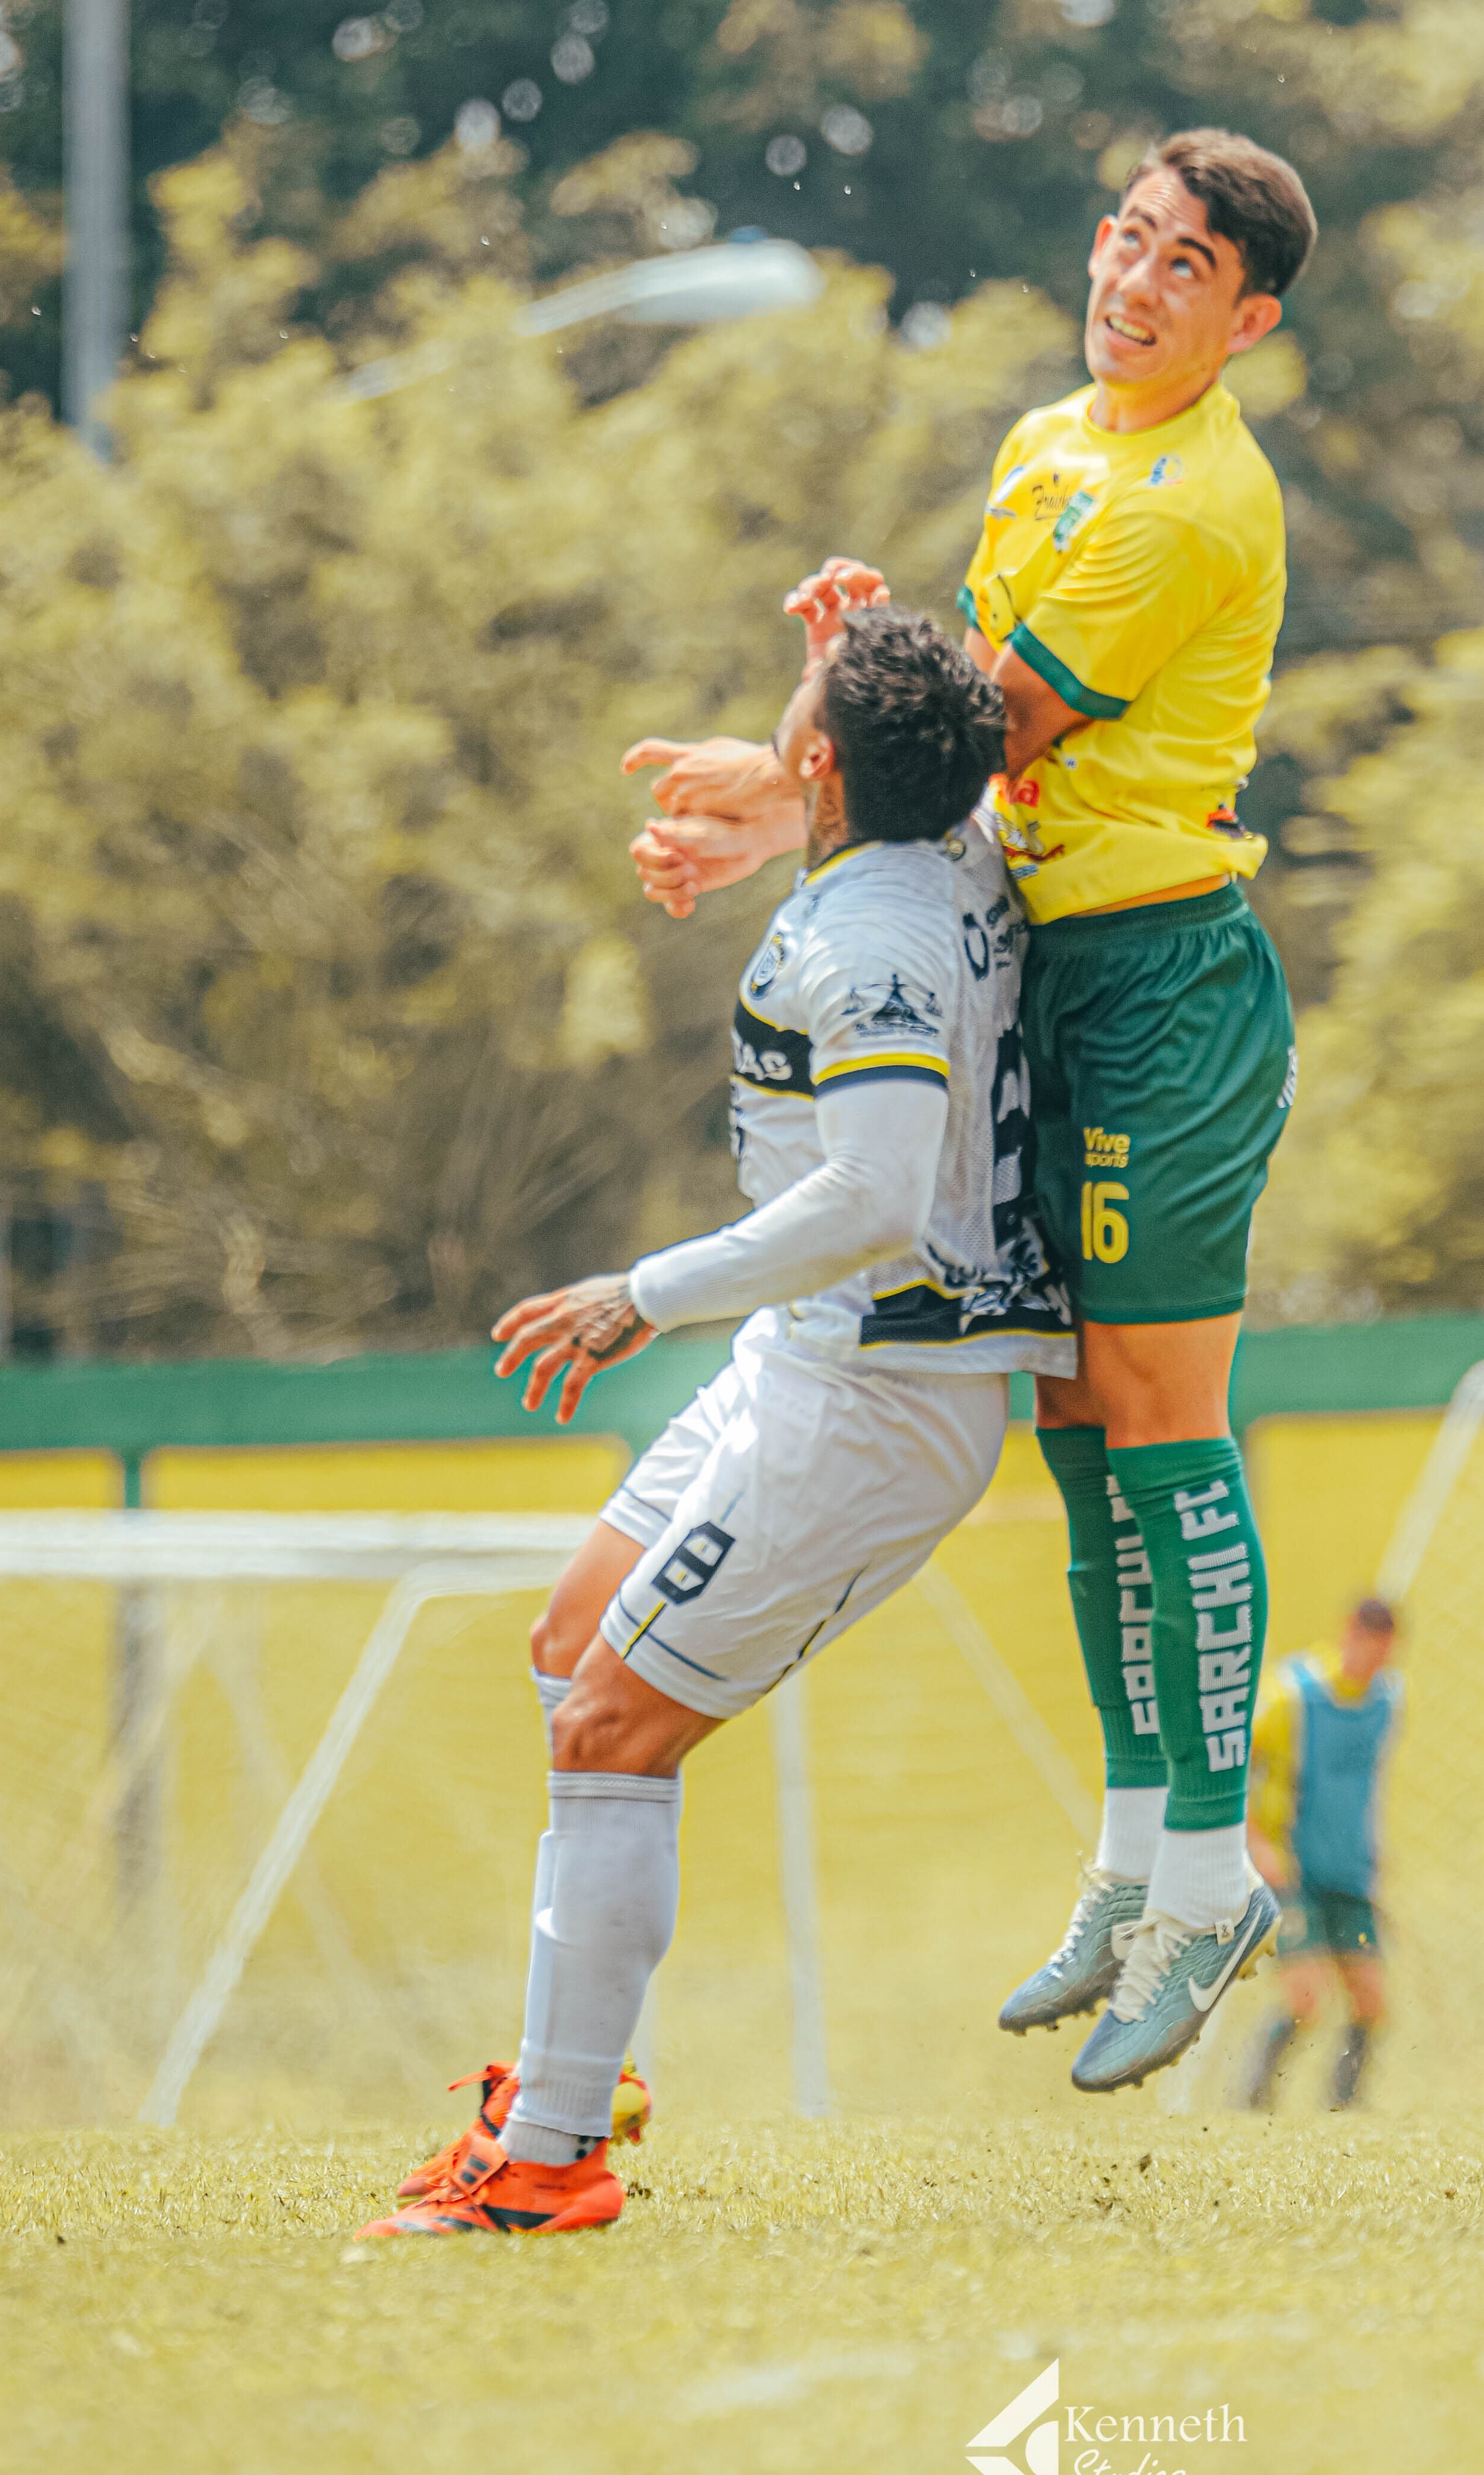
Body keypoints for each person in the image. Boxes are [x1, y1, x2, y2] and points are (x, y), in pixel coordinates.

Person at [623, 130, 1317, 2092]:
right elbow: (933, 720)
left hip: (1163, 983)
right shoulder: (1046, 444)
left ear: (1249, 320)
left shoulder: (1195, 500)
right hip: (1042, 968)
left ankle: (1216, 1882)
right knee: (1082, 1428)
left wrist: (778, 780)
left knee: (1166, 1424)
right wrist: (804, 755)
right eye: (1129, 240)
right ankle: (1134, 1860)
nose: (1137, 282)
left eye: (1186, 267)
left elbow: (982, 731)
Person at [360, 605, 1075, 2235]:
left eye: (795, 710)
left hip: (877, 1395)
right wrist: (827, 718)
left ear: (818, 759)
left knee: (611, 1729)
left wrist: (645, 1292)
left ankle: (547, 2161)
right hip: (818, 1355)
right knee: (573, 1644)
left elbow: (874, 1195)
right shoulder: (943, 845)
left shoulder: (872, 938)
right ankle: (581, 2071)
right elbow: (916, 757)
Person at [1237, 1596, 1404, 2112]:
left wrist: (1372, 1848)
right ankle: (1254, 2099)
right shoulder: (1292, 1696)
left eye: (1383, 1652)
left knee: (1372, 2001)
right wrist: (1255, 1842)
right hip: (1292, 1873)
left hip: (1350, 1875)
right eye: (1366, 1646)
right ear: (1346, 1634)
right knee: (1306, 1999)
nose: (1372, 1661)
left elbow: (1365, 1784)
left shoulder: (1389, 1701)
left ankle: (1344, 2108)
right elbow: (1237, 1767)